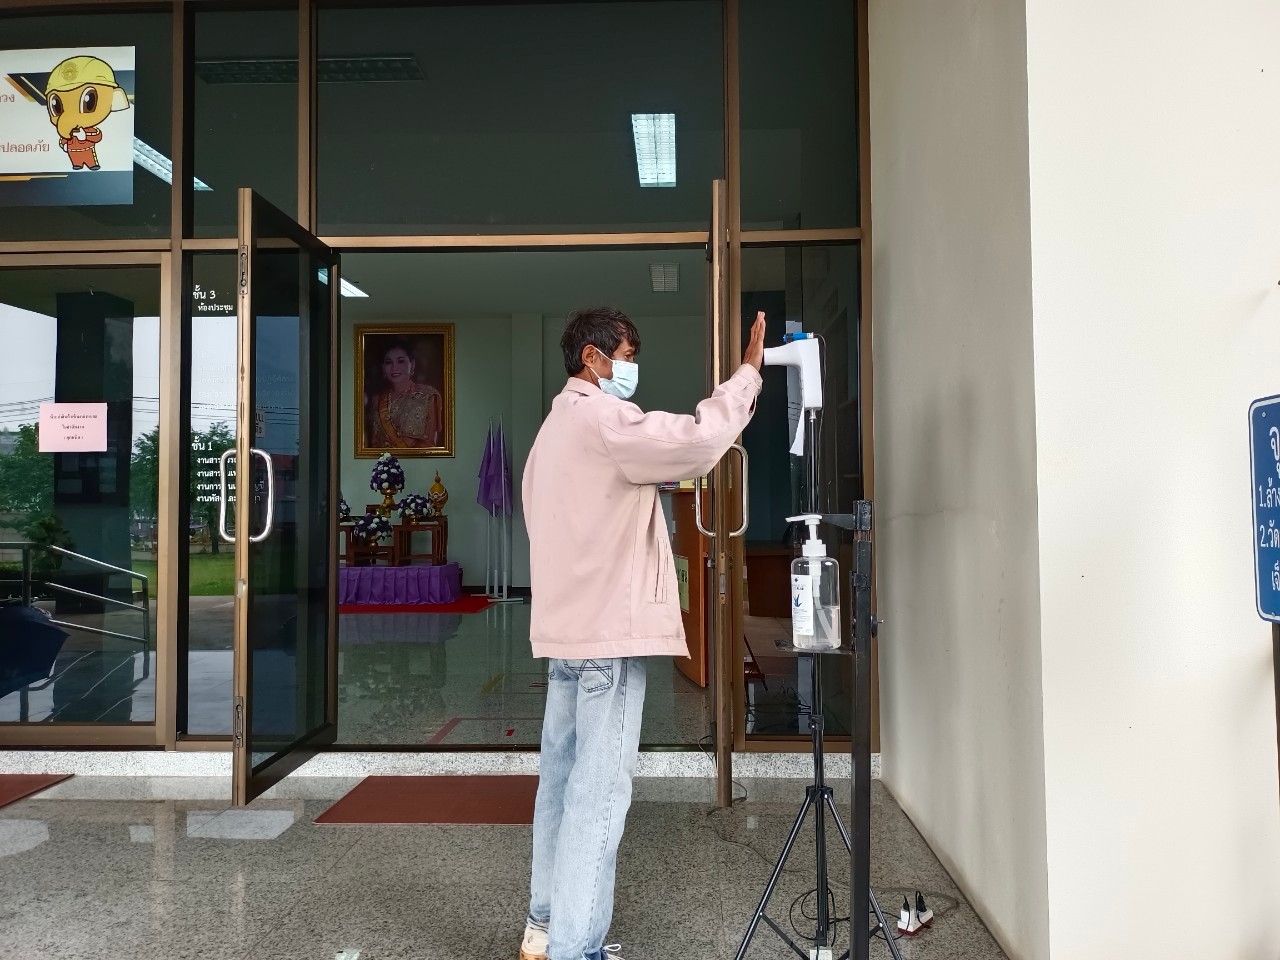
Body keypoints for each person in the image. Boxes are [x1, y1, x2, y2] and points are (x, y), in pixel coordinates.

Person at [519, 306, 767, 960]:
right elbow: (696, 439)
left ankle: (544, 928)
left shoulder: (553, 429)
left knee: (559, 783)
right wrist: (746, 375)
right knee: (598, 794)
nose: (631, 368)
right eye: (626, 356)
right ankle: (576, 948)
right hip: (607, 638)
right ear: (593, 357)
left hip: (566, 637)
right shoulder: (605, 418)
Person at [364, 340, 442, 449]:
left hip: (417, 459)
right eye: (388, 362)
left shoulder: (427, 396)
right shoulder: (377, 400)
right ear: (383, 368)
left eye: (400, 361)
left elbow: (429, 445)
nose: (394, 367)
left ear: (412, 364)